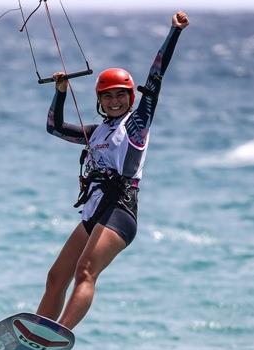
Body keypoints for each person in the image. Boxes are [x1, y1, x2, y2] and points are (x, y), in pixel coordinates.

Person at [37, 10, 189, 330]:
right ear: (100, 101)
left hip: (120, 211)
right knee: (56, 276)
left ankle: (59, 332)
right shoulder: (95, 133)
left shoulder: (135, 126)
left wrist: (173, 32)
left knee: (85, 271)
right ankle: (38, 332)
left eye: (121, 94)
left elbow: (155, 79)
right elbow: (53, 127)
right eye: (108, 96)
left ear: (131, 97)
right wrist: (60, 92)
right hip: (94, 212)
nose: (115, 100)